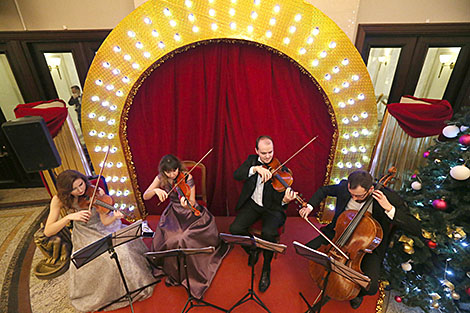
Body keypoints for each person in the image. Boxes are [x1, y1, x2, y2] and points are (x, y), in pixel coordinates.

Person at [299, 170, 421, 309]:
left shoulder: (388, 197)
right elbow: (323, 190)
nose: (354, 198)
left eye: (358, 195)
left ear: (370, 189)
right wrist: (309, 206)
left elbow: (415, 227)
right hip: (338, 234)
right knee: (308, 249)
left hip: (367, 246)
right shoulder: (345, 187)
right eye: (351, 194)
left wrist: (389, 208)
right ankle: (329, 279)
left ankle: (357, 294)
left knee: (371, 286)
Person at [44, 170, 155, 312]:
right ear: (66, 191)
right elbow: (48, 231)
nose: (81, 190)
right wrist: (68, 218)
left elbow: (106, 221)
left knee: (123, 252)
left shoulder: (96, 191)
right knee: (104, 260)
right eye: (75, 189)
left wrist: (115, 217)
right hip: (85, 233)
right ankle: (110, 293)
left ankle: (134, 286)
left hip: (105, 228)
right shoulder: (58, 199)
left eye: (81, 184)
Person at [143, 154, 229, 299]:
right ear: (163, 171)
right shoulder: (160, 178)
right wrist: (155, 191)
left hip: (189, 212)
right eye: (168, 172)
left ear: (178, 168)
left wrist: (187, 203)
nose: (172, 174)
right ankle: (175, 271)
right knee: (171, 239)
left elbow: (193, 201)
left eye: (174, 170)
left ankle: (190, 273)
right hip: (173, 213)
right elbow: (146, 195)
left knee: (184, 238)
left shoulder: (187, 177)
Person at [229, 135, 296, 292]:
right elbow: (237, 175)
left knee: (268, 233)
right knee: (235, 229)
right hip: (253, 205)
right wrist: (255, 169)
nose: (267, 156)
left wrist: (285, 200)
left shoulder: (282, 171)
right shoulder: (252, 161)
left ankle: (266, 269)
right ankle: (253, 249)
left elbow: (281, 201)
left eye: (270, 152)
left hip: (272, 209)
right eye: (264, 153)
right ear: (257, 151)